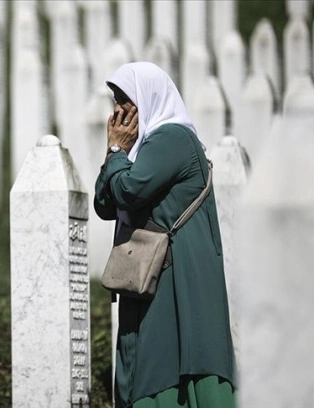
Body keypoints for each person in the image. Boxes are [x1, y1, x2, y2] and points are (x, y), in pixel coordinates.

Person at [94, 62, 236, 408]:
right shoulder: (141, 148)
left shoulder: (172, 138)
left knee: (166, 361)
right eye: (115, 100)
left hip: (177, 276)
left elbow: (127, 191)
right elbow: (104, 204)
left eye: (126, 101)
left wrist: (116, 154)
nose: (118, 111)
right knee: (150, 357)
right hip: (152, 276)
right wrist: (115, 153)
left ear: (149, 98)